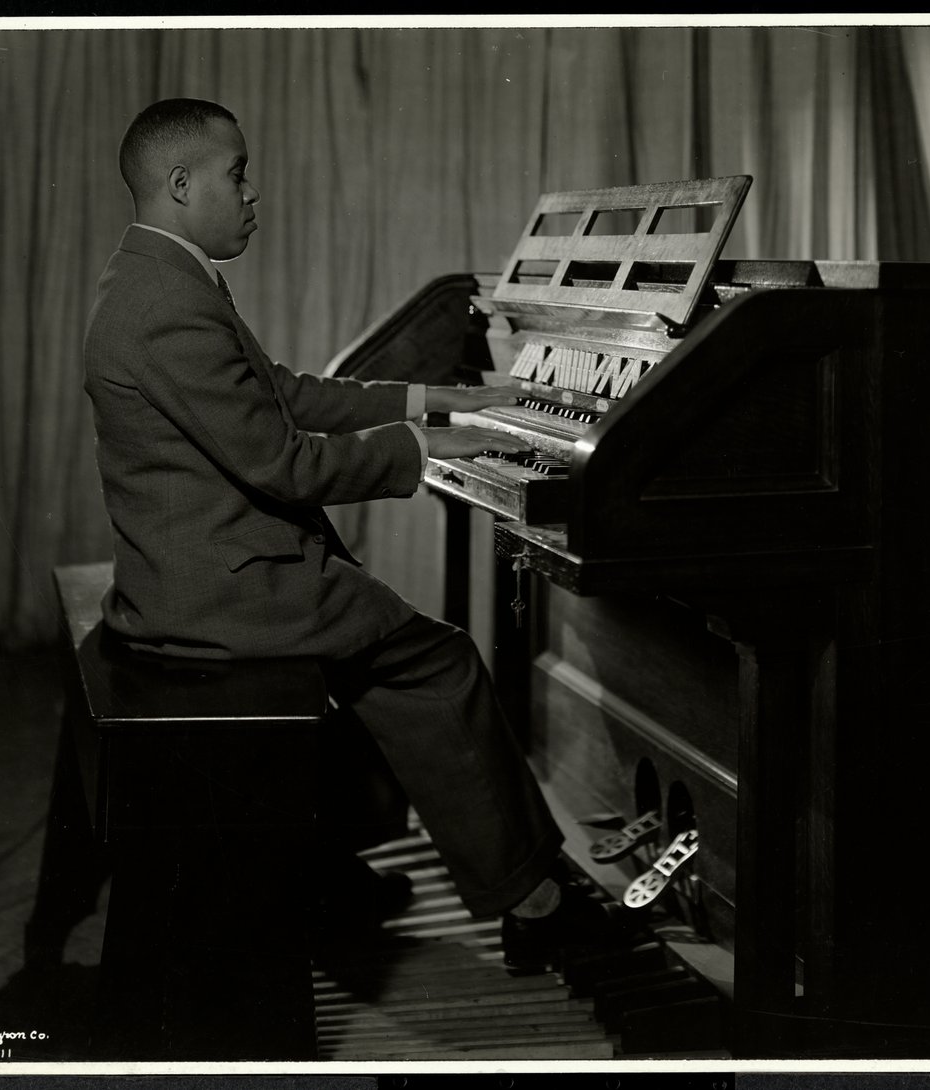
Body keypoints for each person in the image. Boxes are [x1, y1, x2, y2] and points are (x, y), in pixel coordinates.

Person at [82, 97, 629, 974]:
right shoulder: (166, 303)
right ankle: (535, 904)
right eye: (238, 174)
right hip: (226, 590)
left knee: (379, 651)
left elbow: (285, 395)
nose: (253, 194)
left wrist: (447, 399)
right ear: (182, 185)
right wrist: (424, 448)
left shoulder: (152, 277)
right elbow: (286, 465)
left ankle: (341, 869)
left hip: (196, 569)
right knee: (437, 661)